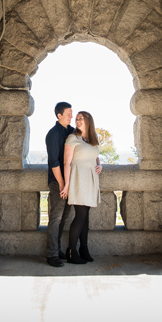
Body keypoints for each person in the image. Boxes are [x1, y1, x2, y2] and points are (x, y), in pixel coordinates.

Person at [61, 111, 102, 264]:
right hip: (78, 179)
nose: (77, 121)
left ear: (88, 121)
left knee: (85, 218)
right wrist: (66, 184)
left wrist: (100, 165)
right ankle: (71, 251)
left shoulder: (92, 139)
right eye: (76, 119)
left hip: (91, 179)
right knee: (80, 215)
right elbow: (67, 163)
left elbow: (96, 156)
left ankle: (83, 249)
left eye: (81, 119)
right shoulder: (72, 138)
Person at [45, 101, 74, 267]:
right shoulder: (53, 134)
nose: (71, 116)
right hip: (58, 183)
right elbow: (54, 162)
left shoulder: (71, 132)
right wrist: (63, 184)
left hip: (68, 183)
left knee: (64, 217)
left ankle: (57, 250)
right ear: (59, 115)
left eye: (71, 113)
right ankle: (52, 254)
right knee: (55, 218)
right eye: (68, 114)